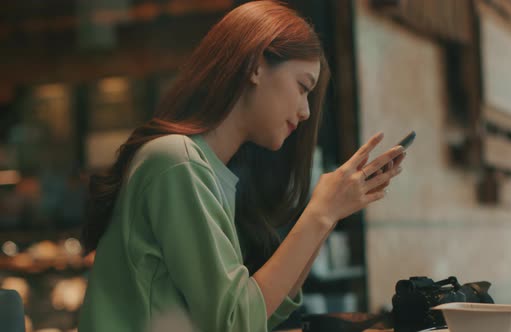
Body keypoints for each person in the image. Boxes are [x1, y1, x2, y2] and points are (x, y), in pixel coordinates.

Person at [78, 1, 406, 331]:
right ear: (256, 66)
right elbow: (235, 323)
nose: (306, 111)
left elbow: (260, 313)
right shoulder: (177, 161)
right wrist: (319, 213)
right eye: (302, 87)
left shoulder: (210, 171)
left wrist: (330, 214)